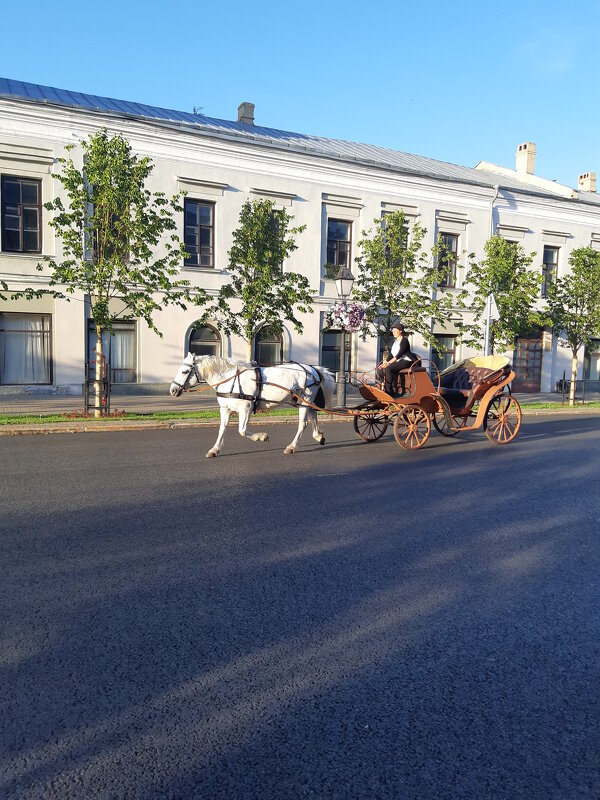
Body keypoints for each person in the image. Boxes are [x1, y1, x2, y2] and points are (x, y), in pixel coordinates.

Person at [377, 322, 417, 396]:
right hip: (399, 360)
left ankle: (389, 391)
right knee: (380, 368)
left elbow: (399, 355)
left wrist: (388, 364)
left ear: (400, 331)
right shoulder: (395, 342)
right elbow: (392, 354)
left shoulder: (404, 341)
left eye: (395, 331)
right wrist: (384, 362)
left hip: (407, 360)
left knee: (389, 368)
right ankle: (383, 386)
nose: (393, 332)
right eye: (393, 331)